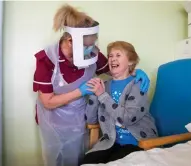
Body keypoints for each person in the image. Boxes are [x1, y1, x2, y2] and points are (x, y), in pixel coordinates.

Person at [33, 4, 151, 166]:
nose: (92, 50)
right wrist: (80, 91)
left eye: (93, 44)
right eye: (87, 45)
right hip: (53, 121)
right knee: (57, 158)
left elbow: (115, 71)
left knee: (79, 158)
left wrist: (136, 71)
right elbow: (47, 101)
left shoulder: (92, 53)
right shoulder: (47, 60)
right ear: (70, 41)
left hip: (80, 119)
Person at [81, 41, 158, 164]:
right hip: (111, 142)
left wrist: (102, 95)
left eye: (118, 55)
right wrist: (94, 94)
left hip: (137, 142)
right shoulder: (105, 86)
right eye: (110, 56)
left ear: (131, 62)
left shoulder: (137, 84)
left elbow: (127, 118)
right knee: (87, 161)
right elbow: (91, 120)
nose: (112, 59)